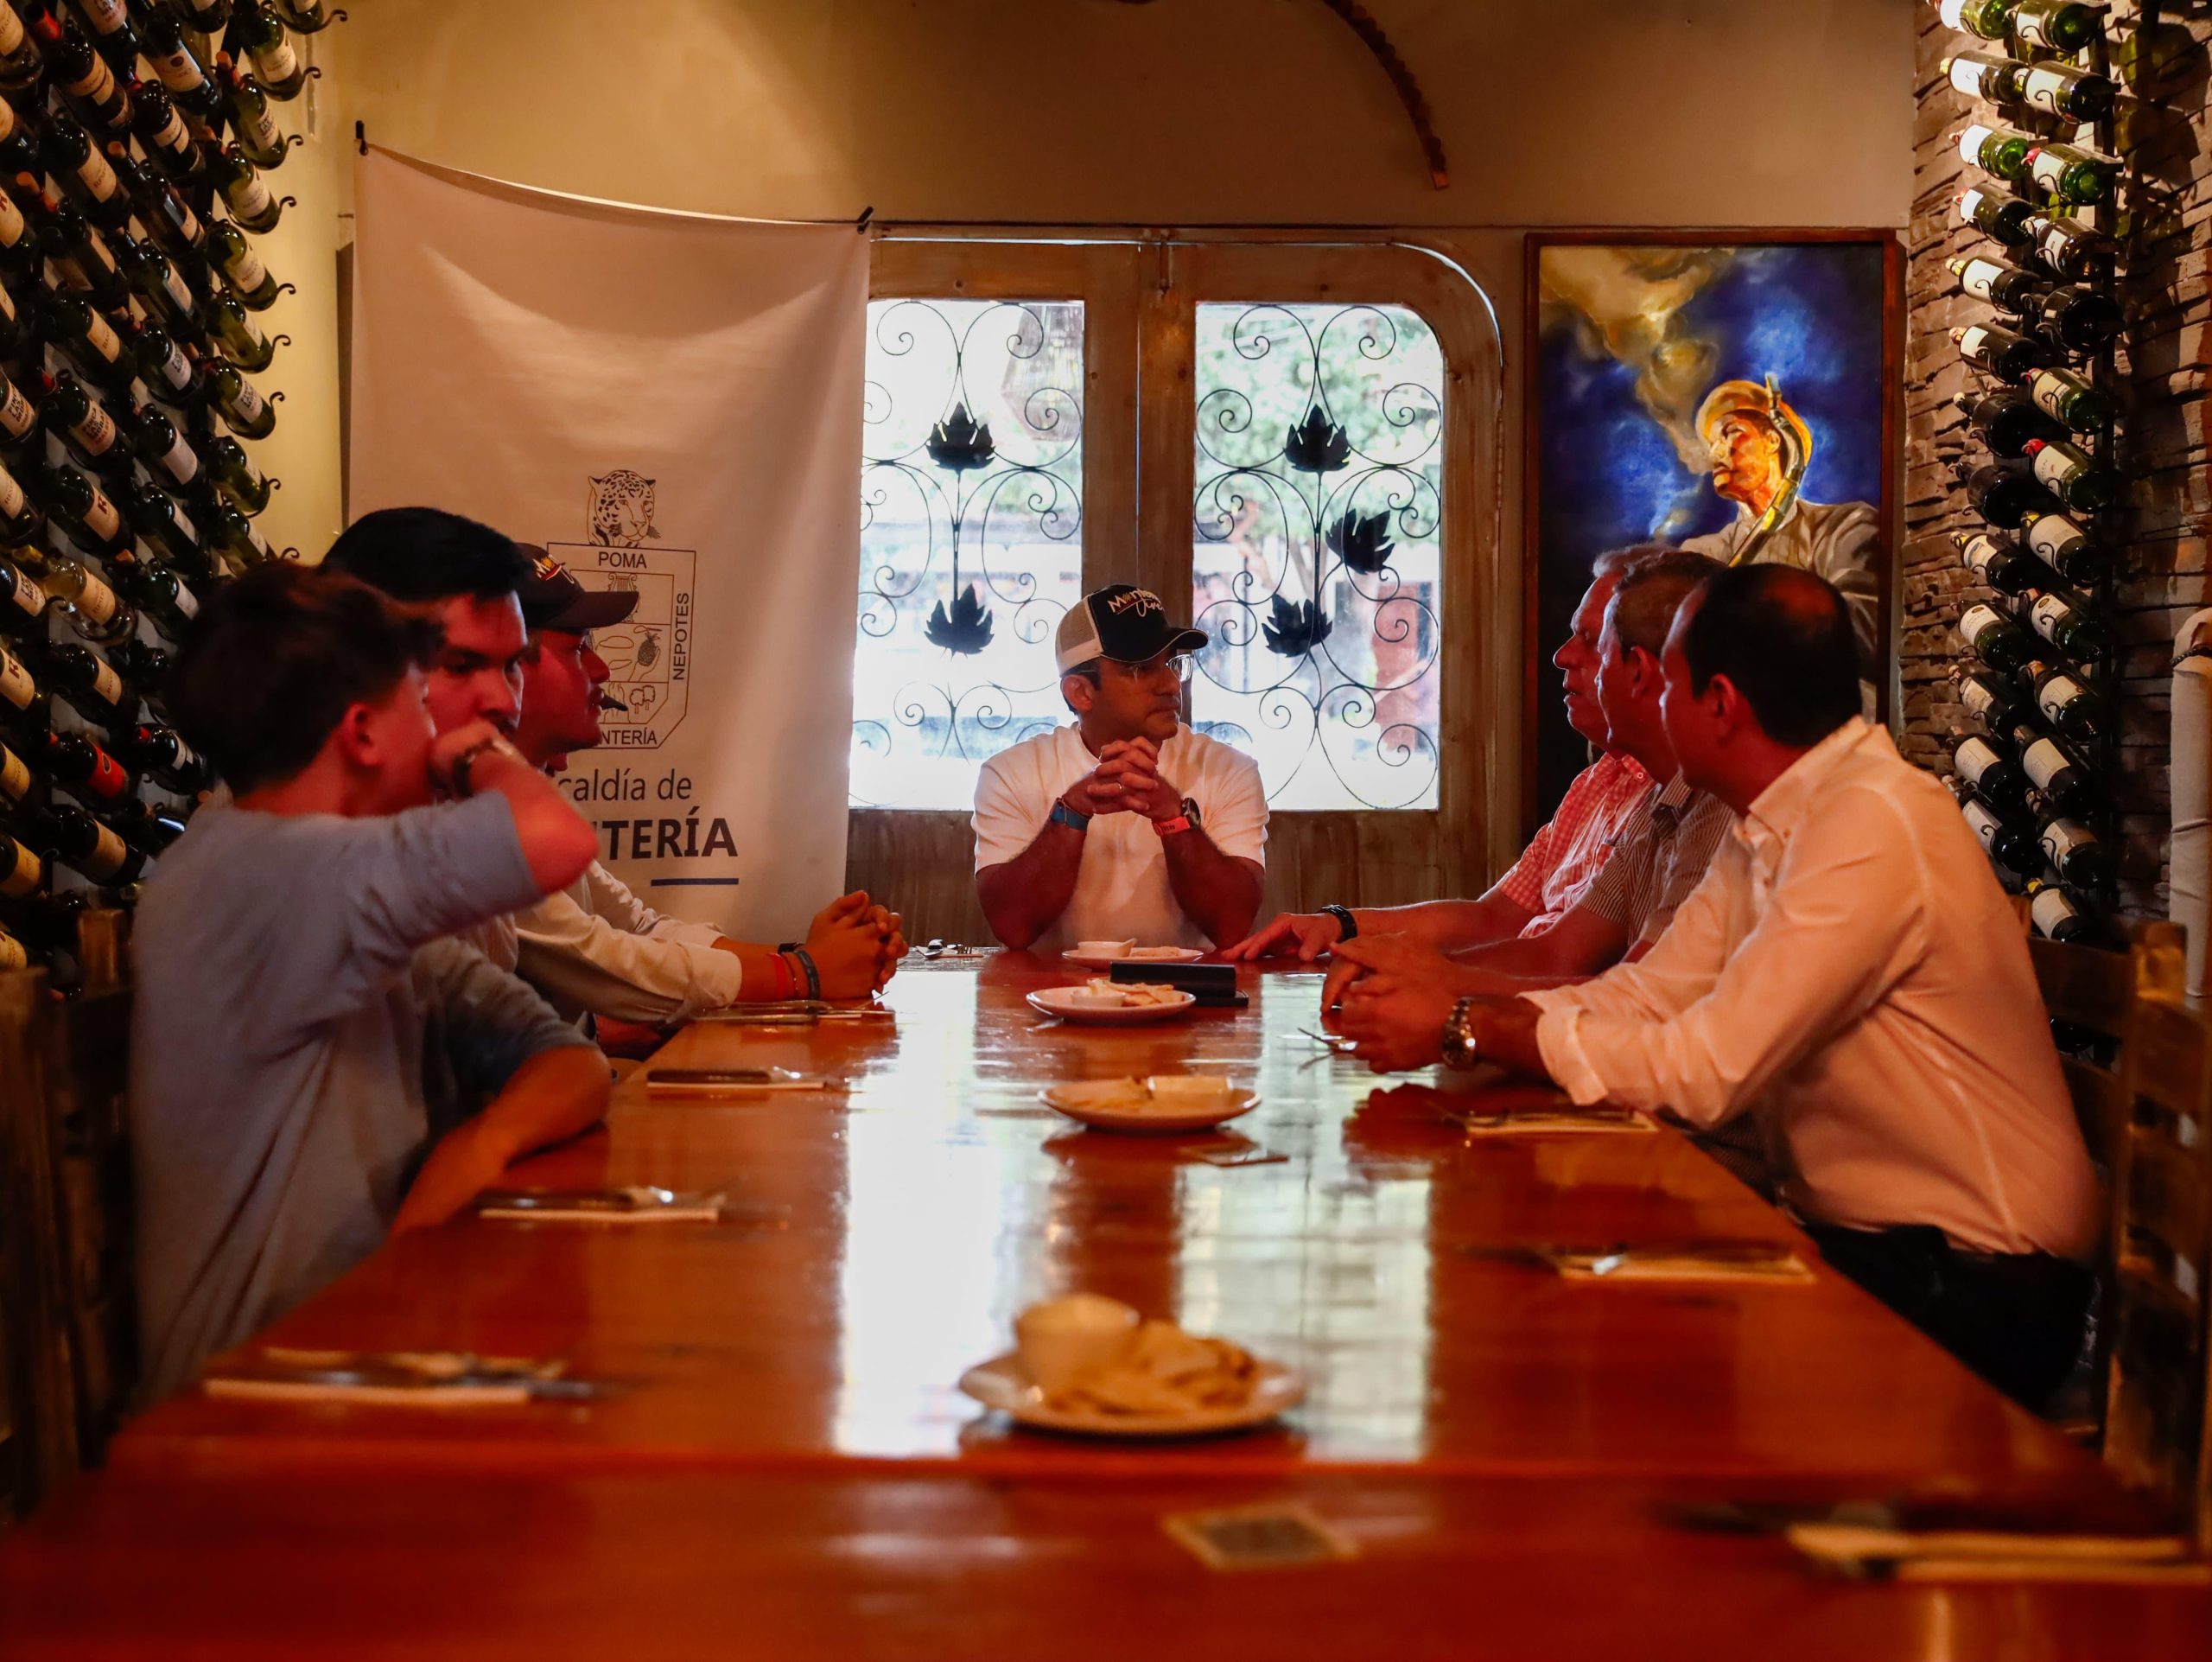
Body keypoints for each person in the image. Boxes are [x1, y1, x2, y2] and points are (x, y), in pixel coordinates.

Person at [1338, 565, 2098, 1409]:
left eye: (1666, 682)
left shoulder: (1872, 822)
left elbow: (1708, 1070)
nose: (1652, 702)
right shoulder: (1773, 819)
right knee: (1543, 1297)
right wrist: (1466, 1013)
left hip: (1973, 1283)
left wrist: (1466, 1026)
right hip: (1872, 1251)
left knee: (1603, 1369)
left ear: (1721, 704)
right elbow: (1648, 995)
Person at [130, 564, 612, 1399]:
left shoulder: (340, 888)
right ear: (363, 733)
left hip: (365, 1349)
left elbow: (568, 1060)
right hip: (257, 1406)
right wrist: (483, 758)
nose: (440, 729)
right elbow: (557, 841)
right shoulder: (274, 871)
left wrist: (478, 1147)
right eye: (422, 702)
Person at [503, 547, 904, 1025]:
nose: (602, 669)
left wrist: (806, 957)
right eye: (577, 649)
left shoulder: (529, 798)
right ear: (508, 668)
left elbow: (639, 929)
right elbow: (601, 961)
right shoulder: (480, 818)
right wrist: (806, 973)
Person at [1319, 551, 1734, 1010]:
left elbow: (1638, 1000)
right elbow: (1555, 953)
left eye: (1597, 645)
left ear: (1640, 672)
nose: (1562, 656)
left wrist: (1448, 999)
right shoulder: (1659, 800)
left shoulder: (1721, 803)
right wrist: (1407, 969)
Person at [1224, 548, 1656, 967]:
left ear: (1648, 665)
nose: (1562, 656)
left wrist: (1428, 976)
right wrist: (1341, 924)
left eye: (1592, 640)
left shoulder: (1672, 802)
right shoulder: (1595, 784)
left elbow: (1566, 964)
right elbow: (1494, 919)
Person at [974, 584, 1267, 952]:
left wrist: (1174, 816)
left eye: (1172, 664)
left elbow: (1232, 926)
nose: (1171, 683)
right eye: (1140, 668)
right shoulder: (1011, 774)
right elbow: (1012, 927)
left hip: (1189, 985)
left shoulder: (1228, 770)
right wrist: (1072, 813)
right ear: (1080, 692)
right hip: (1054, 985)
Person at [1681, 378, 1883, 677]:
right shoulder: (1701, 553)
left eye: (1731, 434)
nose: (1715, 454)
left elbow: (1862, 634)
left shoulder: (1844, 527)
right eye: (1712, 445)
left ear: (1773, 441)